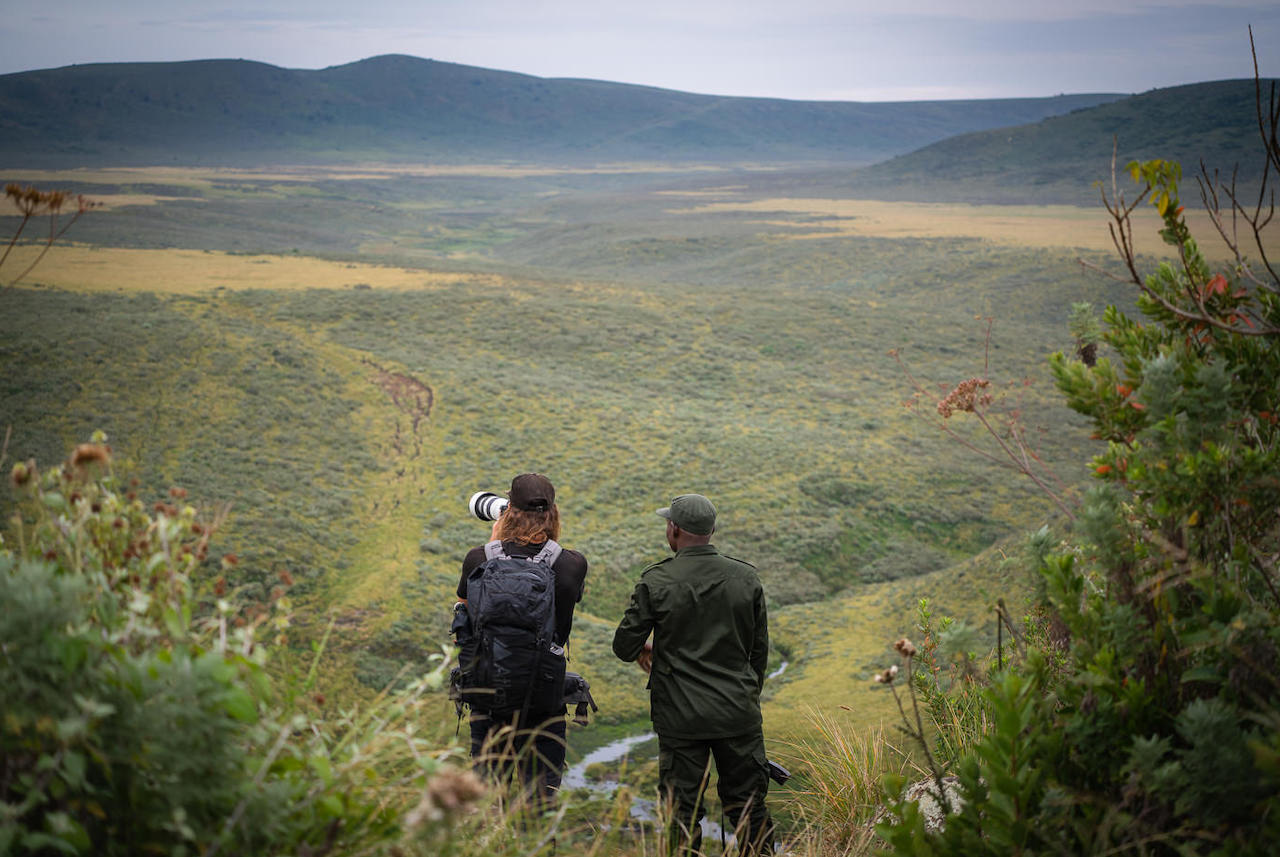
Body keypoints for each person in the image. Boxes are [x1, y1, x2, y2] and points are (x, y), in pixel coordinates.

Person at [612, 493, 775, 856]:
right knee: (749, 809)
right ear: (711, 530)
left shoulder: (656, 580)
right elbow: (758, 652)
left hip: (680, 718)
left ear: (673, 529)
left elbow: (623, 647)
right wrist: (745, 697)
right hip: (737, 713)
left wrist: (648, 647)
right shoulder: (746, 578)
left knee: (680, 815)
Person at [456, 473, 588, 805]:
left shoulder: (478, 559)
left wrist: (495, 541)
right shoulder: (571, 564)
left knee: (486, 798)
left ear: (508, 512)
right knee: (540, 802)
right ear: (553, 513)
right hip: (544, 697)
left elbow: (466, 611)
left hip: (488, 694)